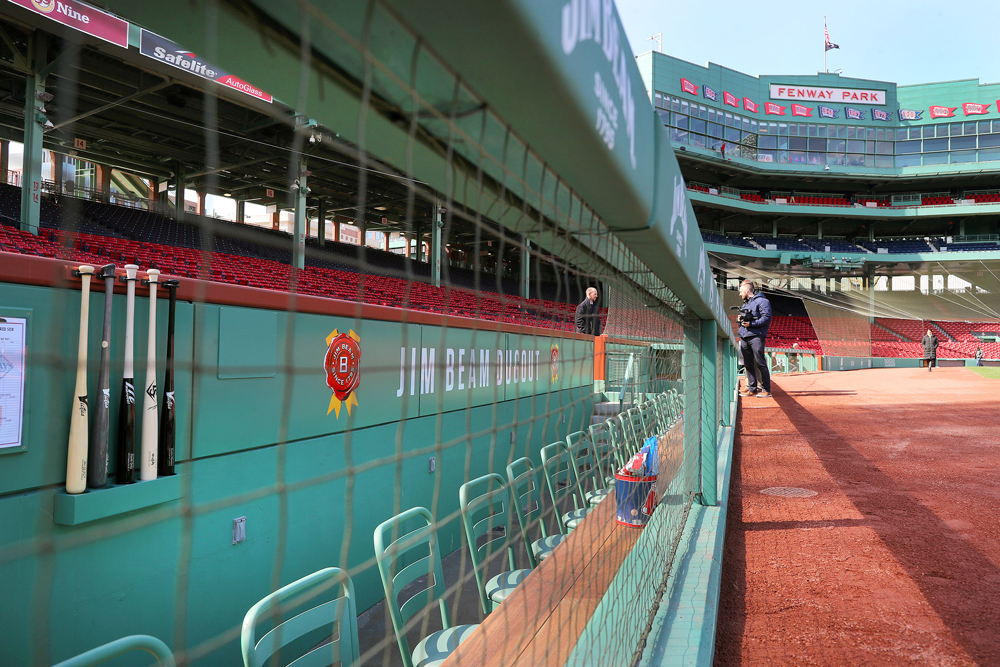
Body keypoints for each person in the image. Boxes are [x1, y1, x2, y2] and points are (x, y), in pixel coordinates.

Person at [737, 280, 773, 398]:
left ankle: (766, 390)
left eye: (741, 291)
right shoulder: (746, 303)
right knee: (748, 364)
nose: (739, 294)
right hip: (745, 336)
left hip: (756, 336)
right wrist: (741, 320)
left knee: (760, 363)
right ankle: (752, 389)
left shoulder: (763, 301)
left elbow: (766, 318)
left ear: (747, 291)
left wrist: (751, 324)